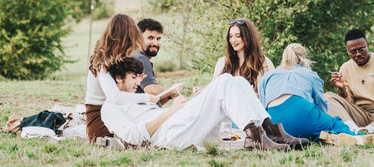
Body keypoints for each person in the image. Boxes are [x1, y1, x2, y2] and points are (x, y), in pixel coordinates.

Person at [102, 57, 309, 151]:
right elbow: (134, 136)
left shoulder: (136, 98)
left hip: (177, 125)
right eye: (133, 78)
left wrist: (180, 105)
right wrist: (171, 112)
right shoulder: (111, 107)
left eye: (139, 77)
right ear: (118, 79)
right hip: (167, 136)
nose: (138, 83)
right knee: (224, 81)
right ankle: (256, 137)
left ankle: (269, 130)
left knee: (235, 80)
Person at [258, 43, 374, 145]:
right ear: (304, 58)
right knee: (334, 123)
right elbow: (321, 105)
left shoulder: (269, 75)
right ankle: (357, 138)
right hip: (300, 111)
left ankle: (316, 135)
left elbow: (262, 106)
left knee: (310, 130)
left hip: (275, 123)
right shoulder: (309, 74)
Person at [85, 14, 159, 143]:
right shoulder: (102, 62)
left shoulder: (115, 59)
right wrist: (147, 97)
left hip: (118, 111)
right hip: (100, 117)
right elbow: (115, 97)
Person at [213, 19, 274, 93]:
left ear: (247, 37)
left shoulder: (263, 63)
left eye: (238, 36)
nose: (233, 40)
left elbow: (272, 92)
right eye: (230, 36)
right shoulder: (222, 63)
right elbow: (214, 91)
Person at [134, 18, 181, 106]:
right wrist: (173, 89)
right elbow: (150, 89)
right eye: (150, 38)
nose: (155, 43)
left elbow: (154, 101)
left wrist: (169, 96)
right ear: (138, 38)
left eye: (158, 39)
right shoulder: (141, 59)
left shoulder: (139, 57)